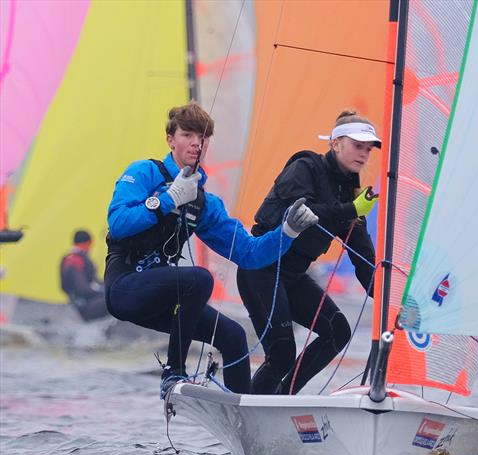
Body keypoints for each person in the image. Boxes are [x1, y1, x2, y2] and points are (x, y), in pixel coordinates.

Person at [104, 102, 318, 397]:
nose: (196, 143)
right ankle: (174, 372)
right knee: (200, 279)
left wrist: (287, 233)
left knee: (233, 336)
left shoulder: (204, 204)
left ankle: (243, 419)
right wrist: (169, 199)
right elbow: (118, 224)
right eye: (188, 135)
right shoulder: (144, 172)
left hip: (164, 297)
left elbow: (249, 253)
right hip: (125, 288)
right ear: (171, 140)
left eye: (202, 137)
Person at [237, 109, 380, 395]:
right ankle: (250, 411)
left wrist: (394, 301)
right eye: (357, 145)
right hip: (262, 269)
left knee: (338, 332)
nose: (363, 154)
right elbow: (301, 211)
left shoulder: (350, 195)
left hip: (293, 276)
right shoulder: (305, 167)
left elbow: (364, 261)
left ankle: (283, 398)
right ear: (335, 143)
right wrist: (351, 210)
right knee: (281, 353)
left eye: (368, 149)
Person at [60, 229, 109, 321]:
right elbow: (82, 288)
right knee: (117, 298)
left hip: (79, 304)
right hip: (85, 308)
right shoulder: (76, 260)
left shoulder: (68, 258)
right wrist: (102, 291)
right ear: (88, 243)